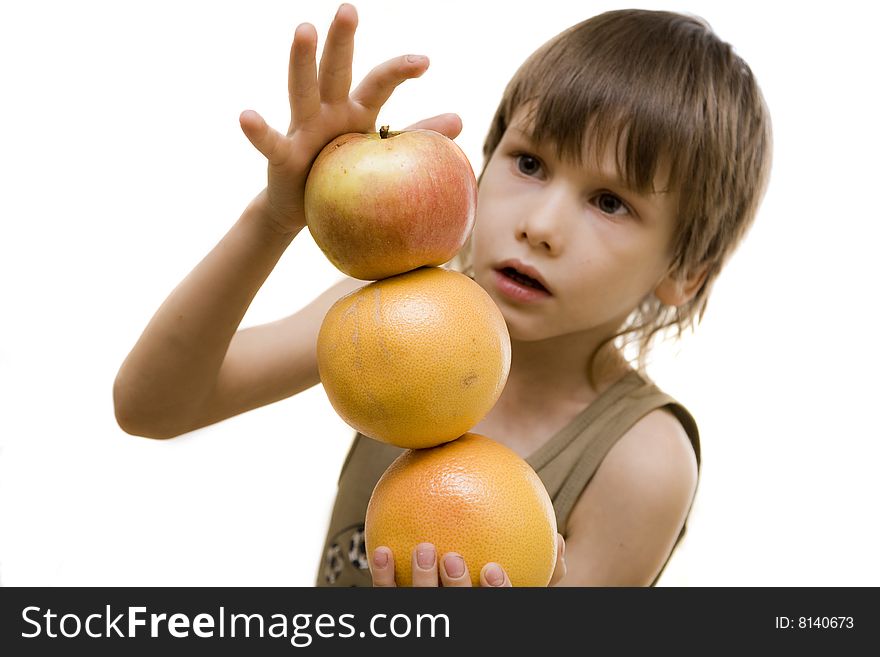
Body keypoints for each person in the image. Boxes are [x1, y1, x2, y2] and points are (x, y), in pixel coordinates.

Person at [113, 4, 771, 587]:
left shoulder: (642, 459)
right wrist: (275, 218)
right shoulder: (396, 313)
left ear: (685, 270)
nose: (539, 226)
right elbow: (154, 405)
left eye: (610, 202)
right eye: (529, 162)